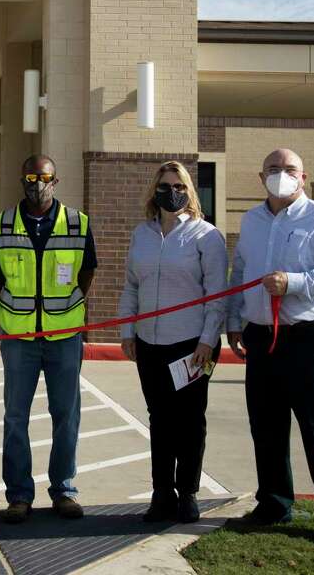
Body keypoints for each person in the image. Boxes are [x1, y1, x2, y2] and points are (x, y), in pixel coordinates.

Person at [227, 148, 314, 551]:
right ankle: (273, 503)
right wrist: (235, 322)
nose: (280, 175)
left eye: (289, 170)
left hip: (310, 338)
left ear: (304, 177)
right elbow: (242, 272)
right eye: (273, 169)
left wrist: (296, 282)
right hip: (261, 337)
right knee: (266, 428)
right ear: (260, 176)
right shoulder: (251, 221)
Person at [118, 161, 227, 524]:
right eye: (165, 186)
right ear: (154, 191)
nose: (172, 192)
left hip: (193, 345)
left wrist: (208, 341)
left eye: (179, 186)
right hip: (150, 342)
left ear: (190, 192)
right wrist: (127, 330)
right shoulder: (141, 234)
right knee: (159, 419)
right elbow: (132, 284)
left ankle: (188, 494)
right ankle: (162, 492)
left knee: (191, 420)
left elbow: (217, 296)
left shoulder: (206, 236)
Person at [0, 153, 96, 524]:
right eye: (30, 176)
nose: (37, 183)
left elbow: (87, 272)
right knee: (15, 417)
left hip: (63, 335)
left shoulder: (78, 223)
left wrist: (65, 308)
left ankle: (64, 490)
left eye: (44, 177)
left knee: (66, 415)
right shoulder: (2, 224)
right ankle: (19, 496)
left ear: (57, 180)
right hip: (19, 337)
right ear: (22, 180)